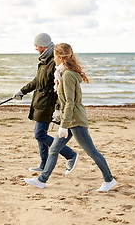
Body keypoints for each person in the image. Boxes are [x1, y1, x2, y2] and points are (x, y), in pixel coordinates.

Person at [24, 43, 117, 192]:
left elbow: (70, 103)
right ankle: (42, 180)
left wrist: (64, 126)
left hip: (75, 121)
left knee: (92, 152)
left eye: (54, 56)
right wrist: (57, 112)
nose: (53, 59)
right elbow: (63, 101)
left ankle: (109, 179)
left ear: (60, 57)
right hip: (70, 119)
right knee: (54, 149)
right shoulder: (63, 74)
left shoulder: (67, 75)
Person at [13, 33, 78, 174]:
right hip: (39, 103)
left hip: (48, 105)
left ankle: (70, 154)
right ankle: (44, 164)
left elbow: (58, 89)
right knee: (40, 134)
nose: (35, 48)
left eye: (37, 45)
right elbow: (37, 81)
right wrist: (22, 91)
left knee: (40, 134)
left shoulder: (53, 62)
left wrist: (57, 109)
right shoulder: (43, 61)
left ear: (43, 45)